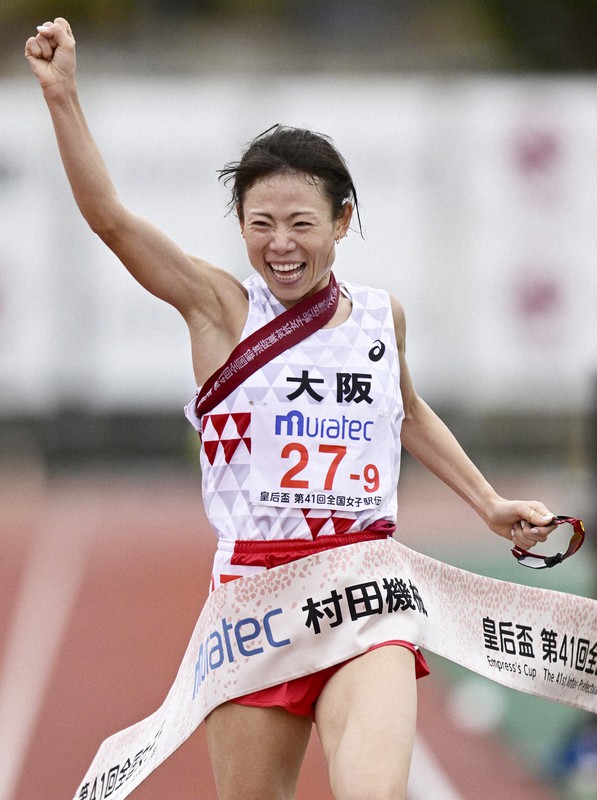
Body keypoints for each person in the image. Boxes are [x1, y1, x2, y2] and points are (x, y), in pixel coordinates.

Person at [25, 18, 558, 800]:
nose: (281, 244)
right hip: (254, 604)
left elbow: (406, 412)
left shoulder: (382, 317)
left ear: (341, 222)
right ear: (239, 227)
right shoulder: (218, 310)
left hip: (363, 588)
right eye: (260, 224)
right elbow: (109, 218)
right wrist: (64, 95)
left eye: (301, 223)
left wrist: (486, 502)